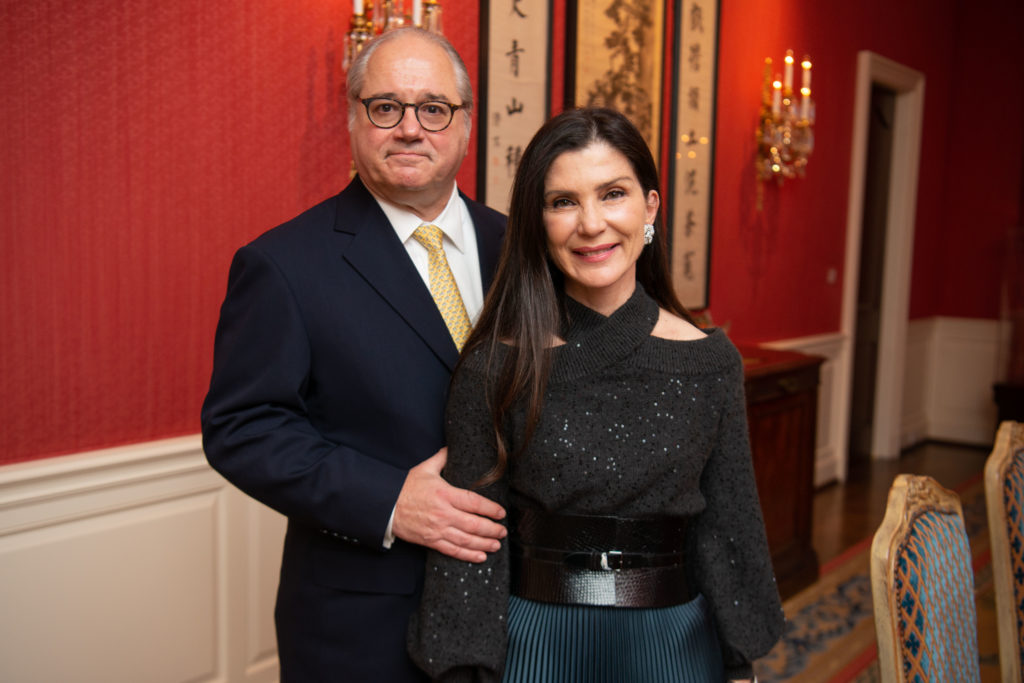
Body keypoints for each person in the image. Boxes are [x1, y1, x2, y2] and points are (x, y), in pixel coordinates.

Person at [408, 107, 784, 683]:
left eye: (613, 194)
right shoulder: (494, 365)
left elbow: (728, 527)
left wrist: (739, 664)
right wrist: (465, 670)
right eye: (563, 202)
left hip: (675, 646)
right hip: (537, 644)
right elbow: (471, 543)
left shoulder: (710, 362)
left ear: (650, 207)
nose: (591, 224)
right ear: (538, 222)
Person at [201, 27, 508, 682]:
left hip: (515, 603)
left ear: (465, 124)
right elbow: (242, 428)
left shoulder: (517, 249)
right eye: (385, 106)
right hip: (363, 626)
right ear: (352, 118)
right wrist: (390, 500)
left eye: (433, 108)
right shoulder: (283, 263)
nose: (410, 128)